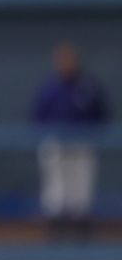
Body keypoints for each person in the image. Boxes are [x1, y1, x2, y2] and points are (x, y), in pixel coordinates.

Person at [31, 42, 110, 239]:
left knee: (81, 188)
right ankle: (55, 232)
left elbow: (101, 115)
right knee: (55, 188)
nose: (66, 63)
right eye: (62, 59)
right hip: (56, 143)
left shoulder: (87, 86)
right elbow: (37, 116)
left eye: (69, 59)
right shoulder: (50, 88)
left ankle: (81, 234)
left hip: (82, 142)